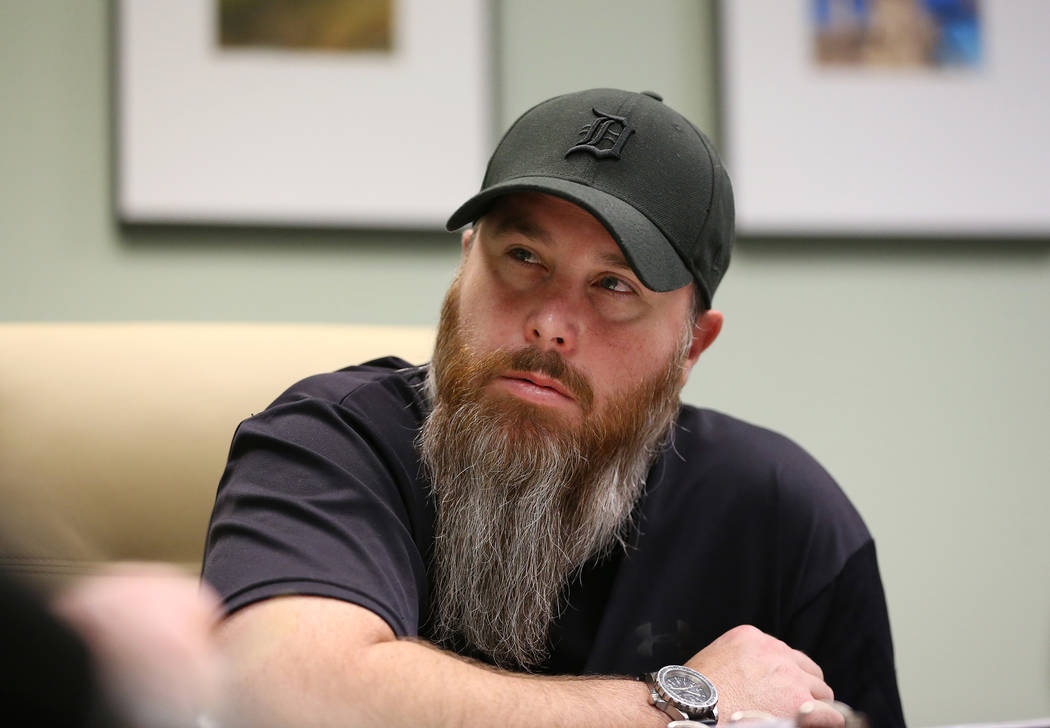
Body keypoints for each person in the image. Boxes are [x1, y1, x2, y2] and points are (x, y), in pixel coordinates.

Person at [202, 88, 905, 728]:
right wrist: (687, 705)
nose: (550, 322)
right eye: (523, 256)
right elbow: (278, 695)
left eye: (614, 284)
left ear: (692, 347)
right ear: (463, 266)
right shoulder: (331, 443)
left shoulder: (783, 516)